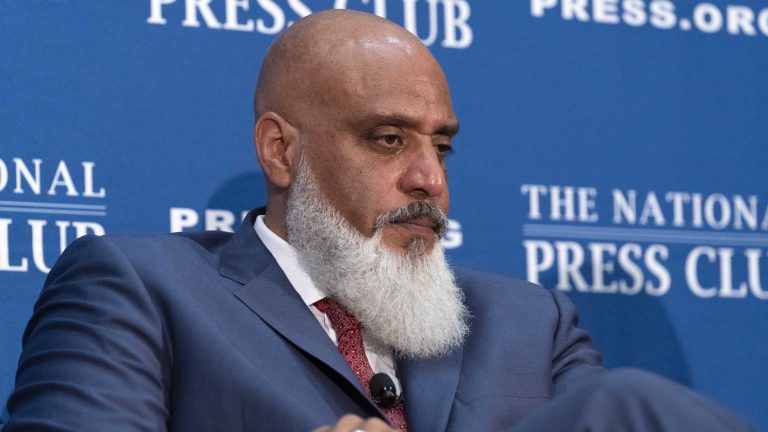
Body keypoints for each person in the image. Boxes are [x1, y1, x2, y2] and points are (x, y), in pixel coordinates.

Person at [2, 10, 754, 432]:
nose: (430, 178)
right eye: (387, 139)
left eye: (442, 145)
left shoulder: (532, 321)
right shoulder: (139, 286)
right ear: (280, 151)